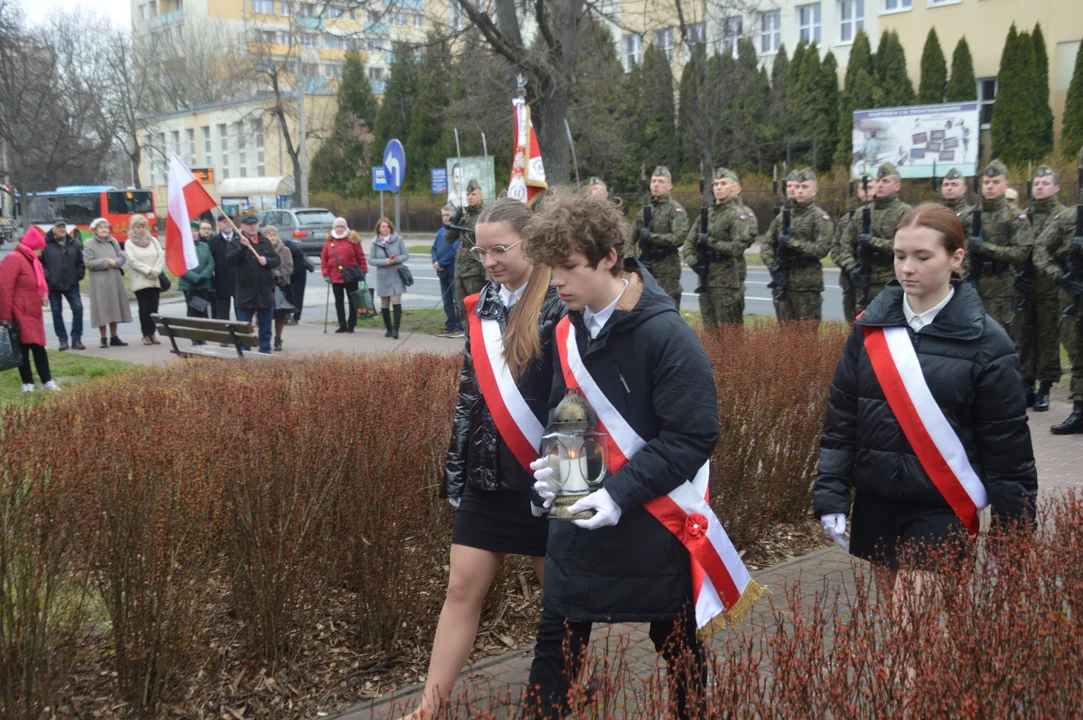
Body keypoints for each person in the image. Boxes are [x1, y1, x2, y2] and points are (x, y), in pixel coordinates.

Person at [521, 192, 741, 720]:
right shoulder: (564, 327)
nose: (557, 283)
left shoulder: (668, 336)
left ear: (609, 259)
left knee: (676, 644)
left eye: (569, 268)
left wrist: (618, 494)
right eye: (552, 269)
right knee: (556, 643)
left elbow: (691, 437)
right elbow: (566, 413)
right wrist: (554, 475)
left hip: (653, 519)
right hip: (581, 515)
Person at [815, 203, 1036, 602]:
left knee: (911, 626)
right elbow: (843, 418)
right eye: (900, 256)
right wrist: (830, 490)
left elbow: (1008, 448)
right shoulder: (869, 328)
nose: (907, 268)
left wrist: (1012, 536)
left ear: (956, 258)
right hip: (877, 500)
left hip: (941, 507)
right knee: (912, 643)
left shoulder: (988, 342)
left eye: (922, 256)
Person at [399, 198, 565, 720]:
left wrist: (572, 480)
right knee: (460, 588)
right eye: (482, 250)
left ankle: (559, 694)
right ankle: (429, 705)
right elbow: (470, 396)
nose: (488, 261)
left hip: (545, 476)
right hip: (486, 474)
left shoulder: (561, 301)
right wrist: (456, 472)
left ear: (531, 244)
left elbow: (579, 400)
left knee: (561, 600)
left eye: (500, 250)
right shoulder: (482, 305)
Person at [1033, 170, 1083, 434]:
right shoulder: (1068, 218)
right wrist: (1059, 277)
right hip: (1073, 292)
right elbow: (1040, 249)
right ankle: (1078, 410)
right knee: (1076, 352)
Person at [961, 159, 1033, 332]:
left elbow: (1022, 253)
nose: (990, 186)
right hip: (972, 284)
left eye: (995, 182)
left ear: (1006, 184)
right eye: (986, 182)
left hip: (1002, 288)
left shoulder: (1016, 216)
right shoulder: (968, 215)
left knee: (1000, 339)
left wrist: (984, 247)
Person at [1013, 165, 1064, 412]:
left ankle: (1045, 387)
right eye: (1037, 184)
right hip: (1025, 286)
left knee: (1047, 337)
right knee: (1024, 336)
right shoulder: (1023, 216)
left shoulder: (1064, 216)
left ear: (1056, 187)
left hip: (1050, 287)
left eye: (1045, 183)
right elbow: (1015, 249)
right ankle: (1026, 386)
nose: (1040, 187)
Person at [682, 167, 755, 327]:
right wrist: (693, 262)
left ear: (733, 187)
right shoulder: (706, 215)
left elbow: (737, 247)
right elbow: (688, 243)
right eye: (716, 184)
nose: (719, 187)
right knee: (710, 337)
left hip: (727, 285)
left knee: (730, 339)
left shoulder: (737, 215)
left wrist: (710, 242)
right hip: (705, 282)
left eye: (723, 183)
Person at [761, 167, 833, 323]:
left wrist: (794, 244)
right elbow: (767, 243)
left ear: (814, 191)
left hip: (807, 286)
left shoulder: (819, 217)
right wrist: (773, 267)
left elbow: (822, 249)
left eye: (804, 187)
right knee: (786, 336)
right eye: (798, 187)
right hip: (783, 282)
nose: (799, 191)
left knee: (807, 337)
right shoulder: (782, 216)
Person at [838, 163, 913, 312]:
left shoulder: (906, 213)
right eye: (878, 181)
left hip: (892, 282)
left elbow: (907, 247)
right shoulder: (861, 213)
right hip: (863, 282)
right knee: (861, 330)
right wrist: (852, 268)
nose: (879, 185)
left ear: (897, 186)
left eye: (885, 181)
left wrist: (873, 242)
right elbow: (844, 244)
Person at [0, 227, 60, 392]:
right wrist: (5, 315)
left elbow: (35, 284)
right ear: (34, 246)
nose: (42, 251)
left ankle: (46, 380)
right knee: (24, 347)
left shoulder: (31, 260)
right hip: (19, 311)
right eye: (40, 248)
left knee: (38, 346)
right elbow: (5, 288)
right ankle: (28, 382)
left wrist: (42, 296)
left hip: (32, 311)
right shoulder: (14, 259)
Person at [627, 166, 690, 309]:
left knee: (667, 309)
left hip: (667, 271)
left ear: (670, 186)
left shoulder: (675, 210)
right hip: (646, 268)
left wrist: (652, 237)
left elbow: (678, 238)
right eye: (654, 181)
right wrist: (633, 260)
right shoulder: (644, 211)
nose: (656, 184)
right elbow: (630, 238)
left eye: (661, 181)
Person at [227, 214, 280, 354]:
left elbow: (276, 259)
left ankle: (265, 353)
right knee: (244, 329)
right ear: (243, 226)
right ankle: (245, 354)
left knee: (266, 328)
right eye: (249, 224)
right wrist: (243, 247)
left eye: (255, 224)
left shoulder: (264, 242)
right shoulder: (235, 242)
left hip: (264, 292)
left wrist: (267, 261)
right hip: (245, 293)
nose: (253, 226)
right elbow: (231, 260)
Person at [83, 217, 131, 348]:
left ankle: (114, 336)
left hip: (114, 278)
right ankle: (103, 337)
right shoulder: (89, 244)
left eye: (106, 227)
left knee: (114, 306)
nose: (104, 230)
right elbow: (88, 263)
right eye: (101, 227)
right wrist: (106, 261)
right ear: (95, 230)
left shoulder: (113, 241)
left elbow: (121, 256)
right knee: (102, 308)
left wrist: (116, 262)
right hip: (99, 281)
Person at [446, 179, 486, 327]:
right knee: (462, 309)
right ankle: (467, 340)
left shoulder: (485, 215)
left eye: (473, 194)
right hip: (460, 269)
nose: (470, 197)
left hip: (475, 270)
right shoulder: (465, 215)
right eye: (468, 194)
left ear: (480, 194)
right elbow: (448, 239)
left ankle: (477, 341)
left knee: (475, 308)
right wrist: (454, 222)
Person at [40, 218, 85, 350]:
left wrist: (78, 276)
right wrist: (48, 277)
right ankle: (62, 340)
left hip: (72, 284)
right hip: (53, 285)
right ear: (53, 228)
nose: (62, 230)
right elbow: (41, 265)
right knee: (56, 312)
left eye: (64, 227)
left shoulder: (74, 243)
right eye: (59, 227)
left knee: (78, 309)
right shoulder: (45, 244)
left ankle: (76, 339)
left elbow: (80, 263)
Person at [320, 216, 367, 334]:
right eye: (337, 227)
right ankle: (342, 324)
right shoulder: (329, 242)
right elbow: (324, 259)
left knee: (353, 300)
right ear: (334, 228)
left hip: (351, 274)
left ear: (345, 228)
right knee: (339, 301)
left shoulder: (353, 239)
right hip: (335, 276)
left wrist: (363, 271)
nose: (339, 229)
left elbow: (360, 256)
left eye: (341, 227)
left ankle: (352, 323)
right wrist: (326, 274)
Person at [831, 181, 870, 324]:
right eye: (863, 189)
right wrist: (849, 266)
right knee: (852, 324)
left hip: (874, 279)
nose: (866, 192)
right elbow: (836, 248)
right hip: (849, 279)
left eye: (870, 187)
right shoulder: (846, 220)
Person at [124, 214, 166, 346]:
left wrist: (156, 270)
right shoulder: (129, 243)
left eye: (143, 226)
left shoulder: (153, 240)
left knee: (154, 308)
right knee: (144, 308)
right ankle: (145, 334)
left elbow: (161, 255)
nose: (141, 229)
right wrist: (148, 270)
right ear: (133, 228)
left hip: (155, 279)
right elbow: (132, 261)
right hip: (141, 280)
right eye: (138, 227)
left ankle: (153, 333)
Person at [369, 217, 409, 339]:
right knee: (384, 303)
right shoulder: (375, 242)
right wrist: (384, 261)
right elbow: (371, 260)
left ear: (390, 228)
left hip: (396, 274)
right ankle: (388, 328)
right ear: (378, 229)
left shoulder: (398, 240)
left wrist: (396, 260)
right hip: (383, 276)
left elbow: (405, 255)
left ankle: (396, 329)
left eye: (387, 226)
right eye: (383, 227)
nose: (385, 229)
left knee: (396, 301)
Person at [178, 220, 215, 345]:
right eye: (191, 231)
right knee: (193, 310)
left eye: (195, 230)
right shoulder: (182, 247)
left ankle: (201, 336)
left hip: (203, 284)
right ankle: (194, 337)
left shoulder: (204, 246)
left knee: (202, 310)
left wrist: (204, 275)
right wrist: (195, 278)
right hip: (190, 285)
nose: (193, 233)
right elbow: (181, 266)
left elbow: (210, 262)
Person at [432, 204, 464, 338]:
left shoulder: (456, 231)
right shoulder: (441, 231)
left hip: (452, 270)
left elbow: (455, 250)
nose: (445, 218)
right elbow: (433, 248)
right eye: (443, 215)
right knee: (447, 301)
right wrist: (435, 261)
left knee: (457, 300)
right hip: (441, 271)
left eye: (447, 215)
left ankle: (459, 325)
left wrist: (442, 262)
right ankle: (450, 324)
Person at [264, 225, 294, 352]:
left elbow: (289, 267)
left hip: (281, 286)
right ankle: (265, 339)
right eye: (269, 235)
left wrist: (276, 274)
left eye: (274, 235)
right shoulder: (262, 249)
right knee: (264, 315)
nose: (272, 237)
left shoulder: (285, 250)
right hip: (265, 286)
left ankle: (278, 338)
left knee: (280, 315)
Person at [208, 214, 237, 320]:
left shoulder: (240, 239)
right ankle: (226, 334)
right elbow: (210, 263)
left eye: (230, 221)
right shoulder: (213, 242)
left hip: (239, 281)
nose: (228, 224)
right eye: (224, 222)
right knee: (223, 313)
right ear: (218, 225)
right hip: (221, 281)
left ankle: (241, 335)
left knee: (241, 313)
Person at [285, 234, 312, 325]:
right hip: (287, 270)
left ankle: (296, 317)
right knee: (285, 293)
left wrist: (292, 272)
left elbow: (299, 255)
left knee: (298, 293)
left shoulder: (287, 245)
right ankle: (285, 314)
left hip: (299, 269)